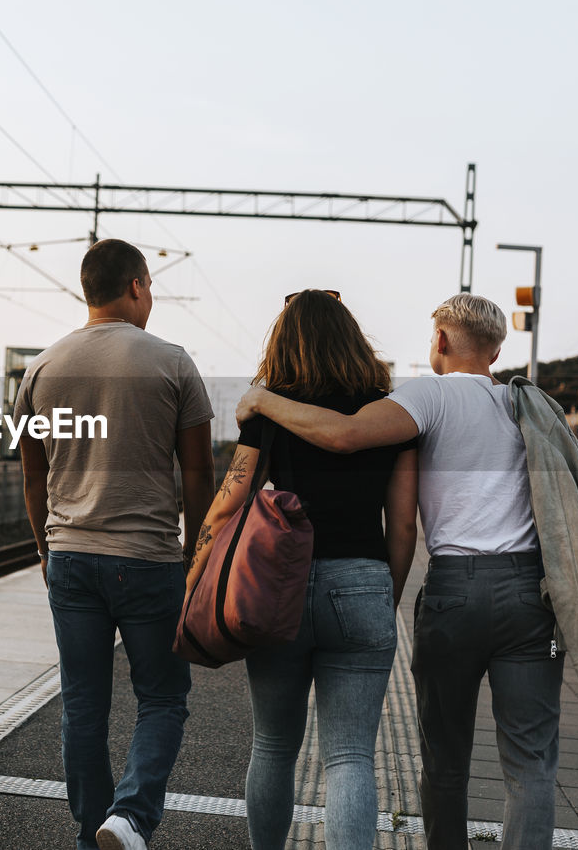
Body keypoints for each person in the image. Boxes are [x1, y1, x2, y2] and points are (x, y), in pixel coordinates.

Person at [234, 293, 575, 850]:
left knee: (441, 757)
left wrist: (264, 400)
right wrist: (379, 599)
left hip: (451, 596)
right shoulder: (533, 404)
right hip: (532, 600)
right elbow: (404, 527)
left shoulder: (424, 397)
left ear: (441, 340)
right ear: (496, 348)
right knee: (532, 759)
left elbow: (343, 435)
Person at [184, 289, 417, 849]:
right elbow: (403, 525)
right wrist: (386, 594)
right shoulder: (390, 414)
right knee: (350, 757)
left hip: (275, 587)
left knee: (272, 744)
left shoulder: (270, 414)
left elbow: (227, 503)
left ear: (283, 343)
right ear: (353, 339)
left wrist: (191, 581)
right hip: (362, 581)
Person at [17, 238, 215, 850]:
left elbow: (32, 472)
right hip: (149, 559)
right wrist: (196, 556)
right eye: (149, 286)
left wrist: (46, 549)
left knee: (83, 707)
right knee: (162, 697)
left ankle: (90, 835)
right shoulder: (173, 362)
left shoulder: (43, 367)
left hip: (71, 557)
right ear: (135, 285)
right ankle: (128, 817)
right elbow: (198, 472)